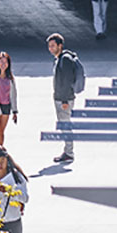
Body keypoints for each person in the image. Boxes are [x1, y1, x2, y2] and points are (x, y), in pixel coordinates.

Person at [48, 33, 85, 163]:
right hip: (60, 97)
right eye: (49, 46)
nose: (51, 48)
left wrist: (64, 101)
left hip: (64, 99)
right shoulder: (60, 58)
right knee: (64, 125)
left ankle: (69, 152)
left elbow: (67, 81)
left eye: (53, 46)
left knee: (66, 125)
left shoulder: (66, 59)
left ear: (60, 45)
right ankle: (67, 151)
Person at [0, 51, 19, 151]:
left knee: (1, 131)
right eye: (1, 62)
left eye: (5, 62)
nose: (3, 64)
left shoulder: (10, 77)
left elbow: (13, 95)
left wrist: (14, 110)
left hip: (6, 106)